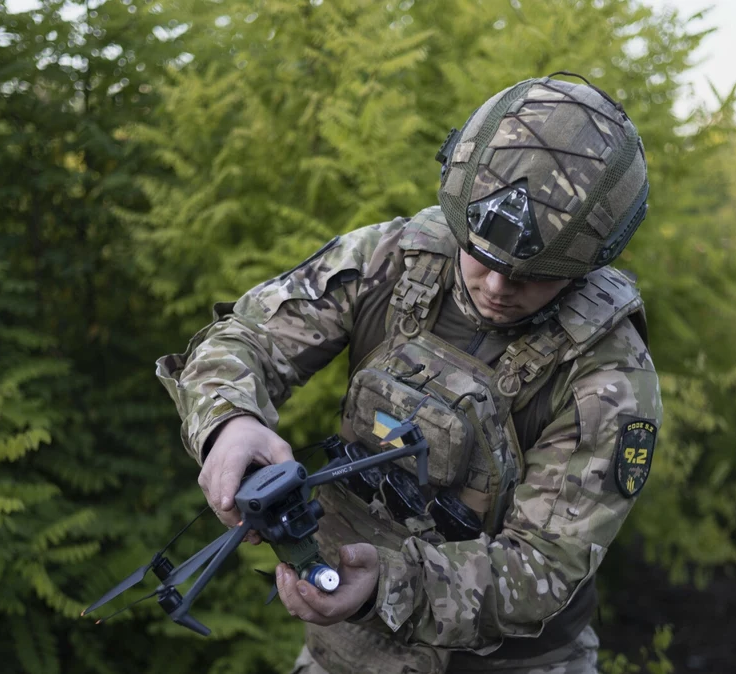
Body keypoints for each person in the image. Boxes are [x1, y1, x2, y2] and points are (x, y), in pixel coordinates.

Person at [156, 73, 661, 673]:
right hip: (349, 651)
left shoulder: (607, 376)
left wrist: (386, 585)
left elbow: (543, 568)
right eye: (481, 253)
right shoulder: (393, 263)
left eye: (535, 273)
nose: (498, 287)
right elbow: (245, 338)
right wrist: (229, 422)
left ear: (590, 262)